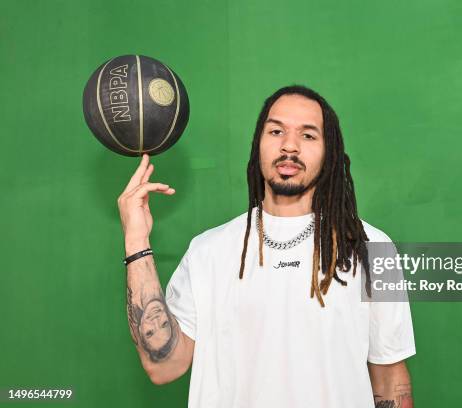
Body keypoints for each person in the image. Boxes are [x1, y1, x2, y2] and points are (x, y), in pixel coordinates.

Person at [117, 85, 416, 408]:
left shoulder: (372, 248)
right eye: (276, 131)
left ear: (329, 152)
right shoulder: (208, 252)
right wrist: (136, 239)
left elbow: (390, 377)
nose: (289, 146)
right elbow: (163, 366)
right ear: (258, 144)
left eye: (308, 136)